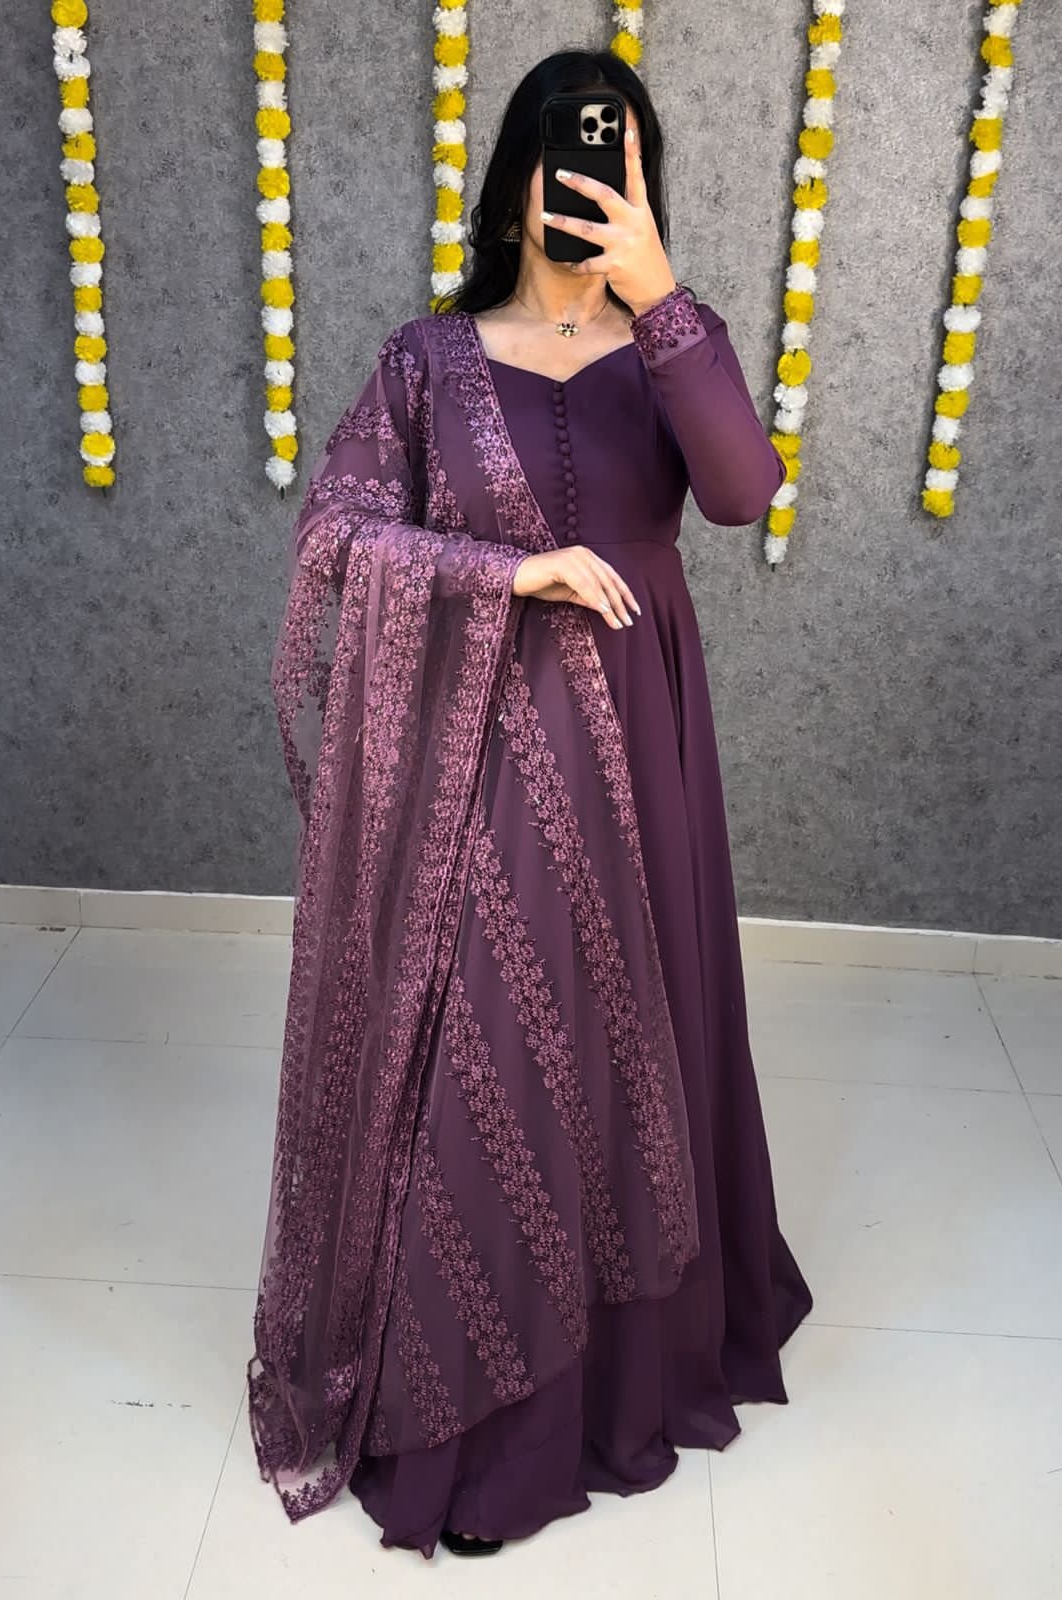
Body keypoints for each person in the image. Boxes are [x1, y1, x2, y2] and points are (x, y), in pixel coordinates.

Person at [246, 49, 813, 1560]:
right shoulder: (429, 362)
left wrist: (662, 293)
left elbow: (743, 492)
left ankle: (626, 1381)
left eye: (619, 166)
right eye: (570, 164)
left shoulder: (672, 345)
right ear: (515, 181)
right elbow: (340, 533)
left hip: (643, 750)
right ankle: (482, 1430)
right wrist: (509, 571)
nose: (590, 191)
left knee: (634, 1033)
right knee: (494, 1053)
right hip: (479, 759)